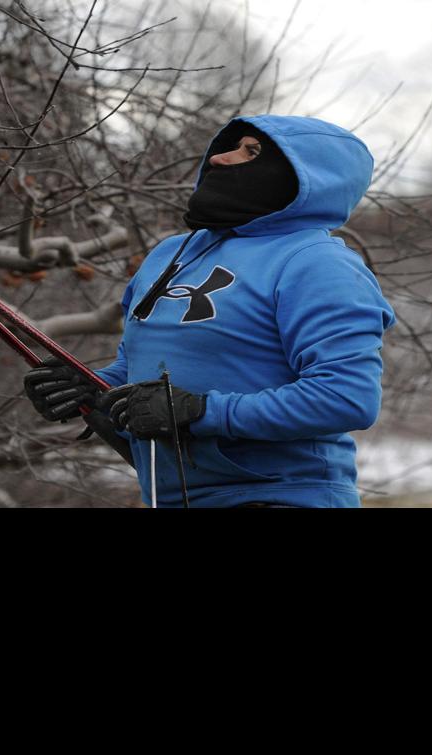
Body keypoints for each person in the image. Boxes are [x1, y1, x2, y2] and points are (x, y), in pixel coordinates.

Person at [23, 115, 396, 508]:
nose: (221, 159)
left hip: (281, 497)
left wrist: (202, 411)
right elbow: (140, 368)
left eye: (250, 152)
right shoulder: (171, 253)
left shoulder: (317, 264)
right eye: (231, 146)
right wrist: (92, 388)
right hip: (173, 497)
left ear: (307, 180)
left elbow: (345, 398)